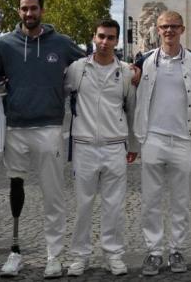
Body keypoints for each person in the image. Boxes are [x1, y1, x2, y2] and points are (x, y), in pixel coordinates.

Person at [0, 0, 85, 278]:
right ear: (18, 11)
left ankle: (53, 255)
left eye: (33, 8)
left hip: (50, 128)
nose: (28, 13)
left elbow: (88, 68)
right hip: (15, 128)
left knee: (53, 194)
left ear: (42, 10)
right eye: (23, 9)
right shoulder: (3, 46)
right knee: (15, 189)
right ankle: (15, 252)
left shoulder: (63, 43)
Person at [133, 11, 191, 276]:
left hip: (184, 139)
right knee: (151, 201)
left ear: (183, 29)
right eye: (164, 26)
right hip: (153, 138)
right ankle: (153, 252)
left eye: (174, 26)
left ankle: (177, 250)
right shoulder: (144, 62)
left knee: (181, 201)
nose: (169, 31)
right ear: (157, 29)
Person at [64, 19, 137, 276]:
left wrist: (134, 144)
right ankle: (79, 256)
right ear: (94, 37)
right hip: (84, 146)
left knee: (114, 206)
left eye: (110, 37)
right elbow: (59, 96)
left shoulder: (127, 72)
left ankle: (114, 254)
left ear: (117, 41)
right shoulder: (75, 69)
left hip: (115, 146)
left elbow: (132, 110)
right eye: (101, 36)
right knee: (83, 205)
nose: (105, 42)